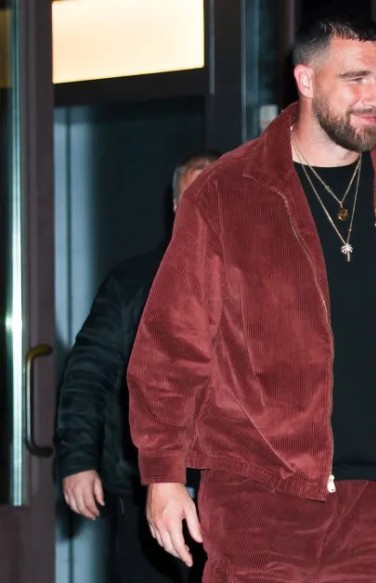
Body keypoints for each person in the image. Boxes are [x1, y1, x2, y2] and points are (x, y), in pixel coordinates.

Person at [126, 14, 376, 582]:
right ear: (306, 80)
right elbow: (173, 344)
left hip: (373, 488)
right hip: (258, 484)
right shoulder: (227, 192)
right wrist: (163, 474)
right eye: (355, 78)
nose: (374, 97)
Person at [55, 151, 219, 583]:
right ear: (175, 207)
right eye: (192, 199)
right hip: (141, 482)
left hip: (234, 490)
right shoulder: (132, 283)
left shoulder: (259, 284)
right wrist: (77, 460)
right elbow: (89, 372)